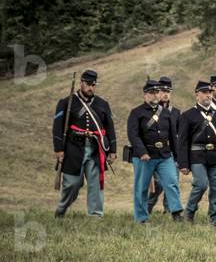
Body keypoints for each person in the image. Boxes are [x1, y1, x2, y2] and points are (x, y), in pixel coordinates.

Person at [52, 69, 117, 217]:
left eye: (93, 85)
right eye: (88, 84)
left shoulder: (102, 104)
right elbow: (57, 127)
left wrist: (112, 150)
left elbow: (110, 127)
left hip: (95, 149)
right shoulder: (66, 103)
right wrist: (58, 149)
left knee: (96, 184)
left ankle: (95, 215)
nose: (91, 88)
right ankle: (62, 209)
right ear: (81, 83)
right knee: (72, 183)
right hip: (73, 148)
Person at [176, 80, 216, 224]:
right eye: (205, 93)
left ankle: (215, 217)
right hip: (197, 156)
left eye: (210, 93)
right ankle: (189, 211)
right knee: (201, 185)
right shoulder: (188, 115)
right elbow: (182, 141)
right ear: (197, 95)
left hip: (215, 156)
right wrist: (183, 163)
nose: (208, 96)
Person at [127, 79, 184, 223]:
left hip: (164, 155)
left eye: (156, 92)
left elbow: (173, 137)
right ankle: (141, 218)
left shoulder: (166, 113)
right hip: (145, 157)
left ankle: (176, 212)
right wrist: (142, 152)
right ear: (145, 95)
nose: (155, 95)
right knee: (142, 187)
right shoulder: (136, 113)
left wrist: (178, 158)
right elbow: (133, 135)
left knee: (171, 182)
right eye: (151, 93)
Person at [147, 76, 181, 214]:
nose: (165, 94)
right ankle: (148, 206)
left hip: (171, 151)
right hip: (154, 151)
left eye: (168, 91)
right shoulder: (149, 110)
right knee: (158, 183)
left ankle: (169, 209)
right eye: (162, 90)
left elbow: (179, 135)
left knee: (173, 182)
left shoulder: (176, 112)